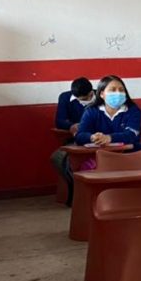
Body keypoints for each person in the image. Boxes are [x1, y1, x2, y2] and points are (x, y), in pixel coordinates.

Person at [50, 77, 95, 205]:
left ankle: (85, 194)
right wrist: (71, 126)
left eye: (84, 99)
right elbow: (59, 121)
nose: (82, 102)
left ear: (91, 93)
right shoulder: (65, 98)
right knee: (57, 158)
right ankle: (74, 189)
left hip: (99, 141)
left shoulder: (102, 97)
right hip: (74, 141)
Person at [74, 75, 141, 150]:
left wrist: (109, 138)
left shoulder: (133, 110)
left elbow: (131, 135)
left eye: (121, 90)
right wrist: (92, 137)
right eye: (113, 90)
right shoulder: (91, 111)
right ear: (101, 94)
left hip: (129, 154)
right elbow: (79, 136)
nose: (118, 93)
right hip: (98, 155)